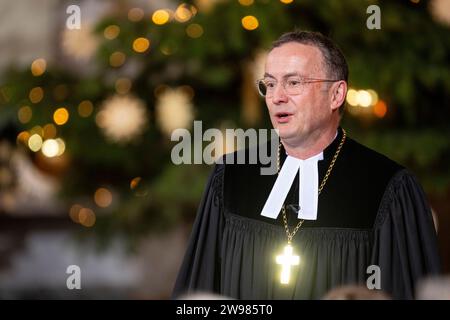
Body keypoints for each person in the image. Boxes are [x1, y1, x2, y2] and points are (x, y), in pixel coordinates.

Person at [172, 30, 441, 299]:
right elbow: (200, 294)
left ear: (336, 94)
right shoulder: (231, 176)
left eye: (293, 83)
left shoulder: (387, 187)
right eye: (270, 84)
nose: (277, 97)